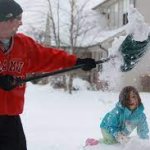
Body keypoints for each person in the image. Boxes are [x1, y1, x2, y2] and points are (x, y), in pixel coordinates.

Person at [0, 0, 97, 150]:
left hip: (11, 118)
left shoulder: (23, 44)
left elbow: (47, 56)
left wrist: (76, 61)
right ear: (5, 20)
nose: (21, 23)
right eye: (18, 18)